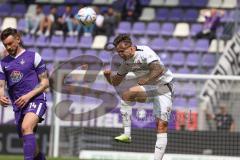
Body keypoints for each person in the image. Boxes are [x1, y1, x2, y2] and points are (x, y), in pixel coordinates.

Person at [103, 34, 173, 160]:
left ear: (130, 48)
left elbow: (159, 70)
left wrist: (146, 78)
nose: (120, 54)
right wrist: (108, 76)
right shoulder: (126, 64)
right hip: (149, 88)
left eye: (122, 51)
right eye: (118, 52)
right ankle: (127, 134)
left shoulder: (145, 52)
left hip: (163, 88)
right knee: (126, 95)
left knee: (161, 126)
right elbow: (116, 82)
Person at [0, 28, 49, 160]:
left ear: (18, 39)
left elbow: (45, 82)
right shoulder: (3, 63)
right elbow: (1, 85)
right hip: (19, 106)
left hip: (36, 99)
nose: (8, 47)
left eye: (10, 43)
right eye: (5, 45)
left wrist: (28, 95)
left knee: (26, 126)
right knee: (33, 151)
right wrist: (0, 96)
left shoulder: (34, 57)